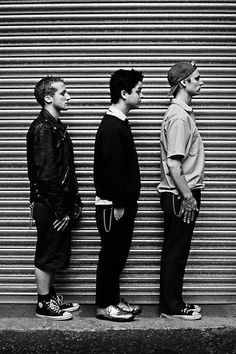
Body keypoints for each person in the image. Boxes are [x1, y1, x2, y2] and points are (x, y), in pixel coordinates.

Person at [26, 76, 83, 320]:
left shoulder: (55, 126)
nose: (68, 96)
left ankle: (51, 297)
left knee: (54, 251)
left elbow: (67, 169)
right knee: (47, 253)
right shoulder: (43, 128)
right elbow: (47, 174)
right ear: (48, 98)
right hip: (48, 204)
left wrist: (74, 203)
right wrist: (61, 210)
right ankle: (43, 304)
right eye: (63, 92)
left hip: (56, 204)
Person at [93, 69, 144, 322]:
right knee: (110, 254)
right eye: (138, 91)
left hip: (121, 203)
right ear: (124, 93)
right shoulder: (112, 126)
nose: (141, 95)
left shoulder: (119, 123)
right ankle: (104, 305)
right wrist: (119, 203)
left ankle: (113, 298)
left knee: (118, 254)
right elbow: (112, 170)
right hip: (114, 206)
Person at [157, 61, 205, 320]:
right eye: (197, 78)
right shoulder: (178, 117)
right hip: (180, 194)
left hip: (181, 193)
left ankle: (173, 301)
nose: (202, 82)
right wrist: (187, 196)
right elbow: (174, 164)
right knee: (175, 252)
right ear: (184, 82)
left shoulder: (183, 113)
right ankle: (171, 307)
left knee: (177, 250)